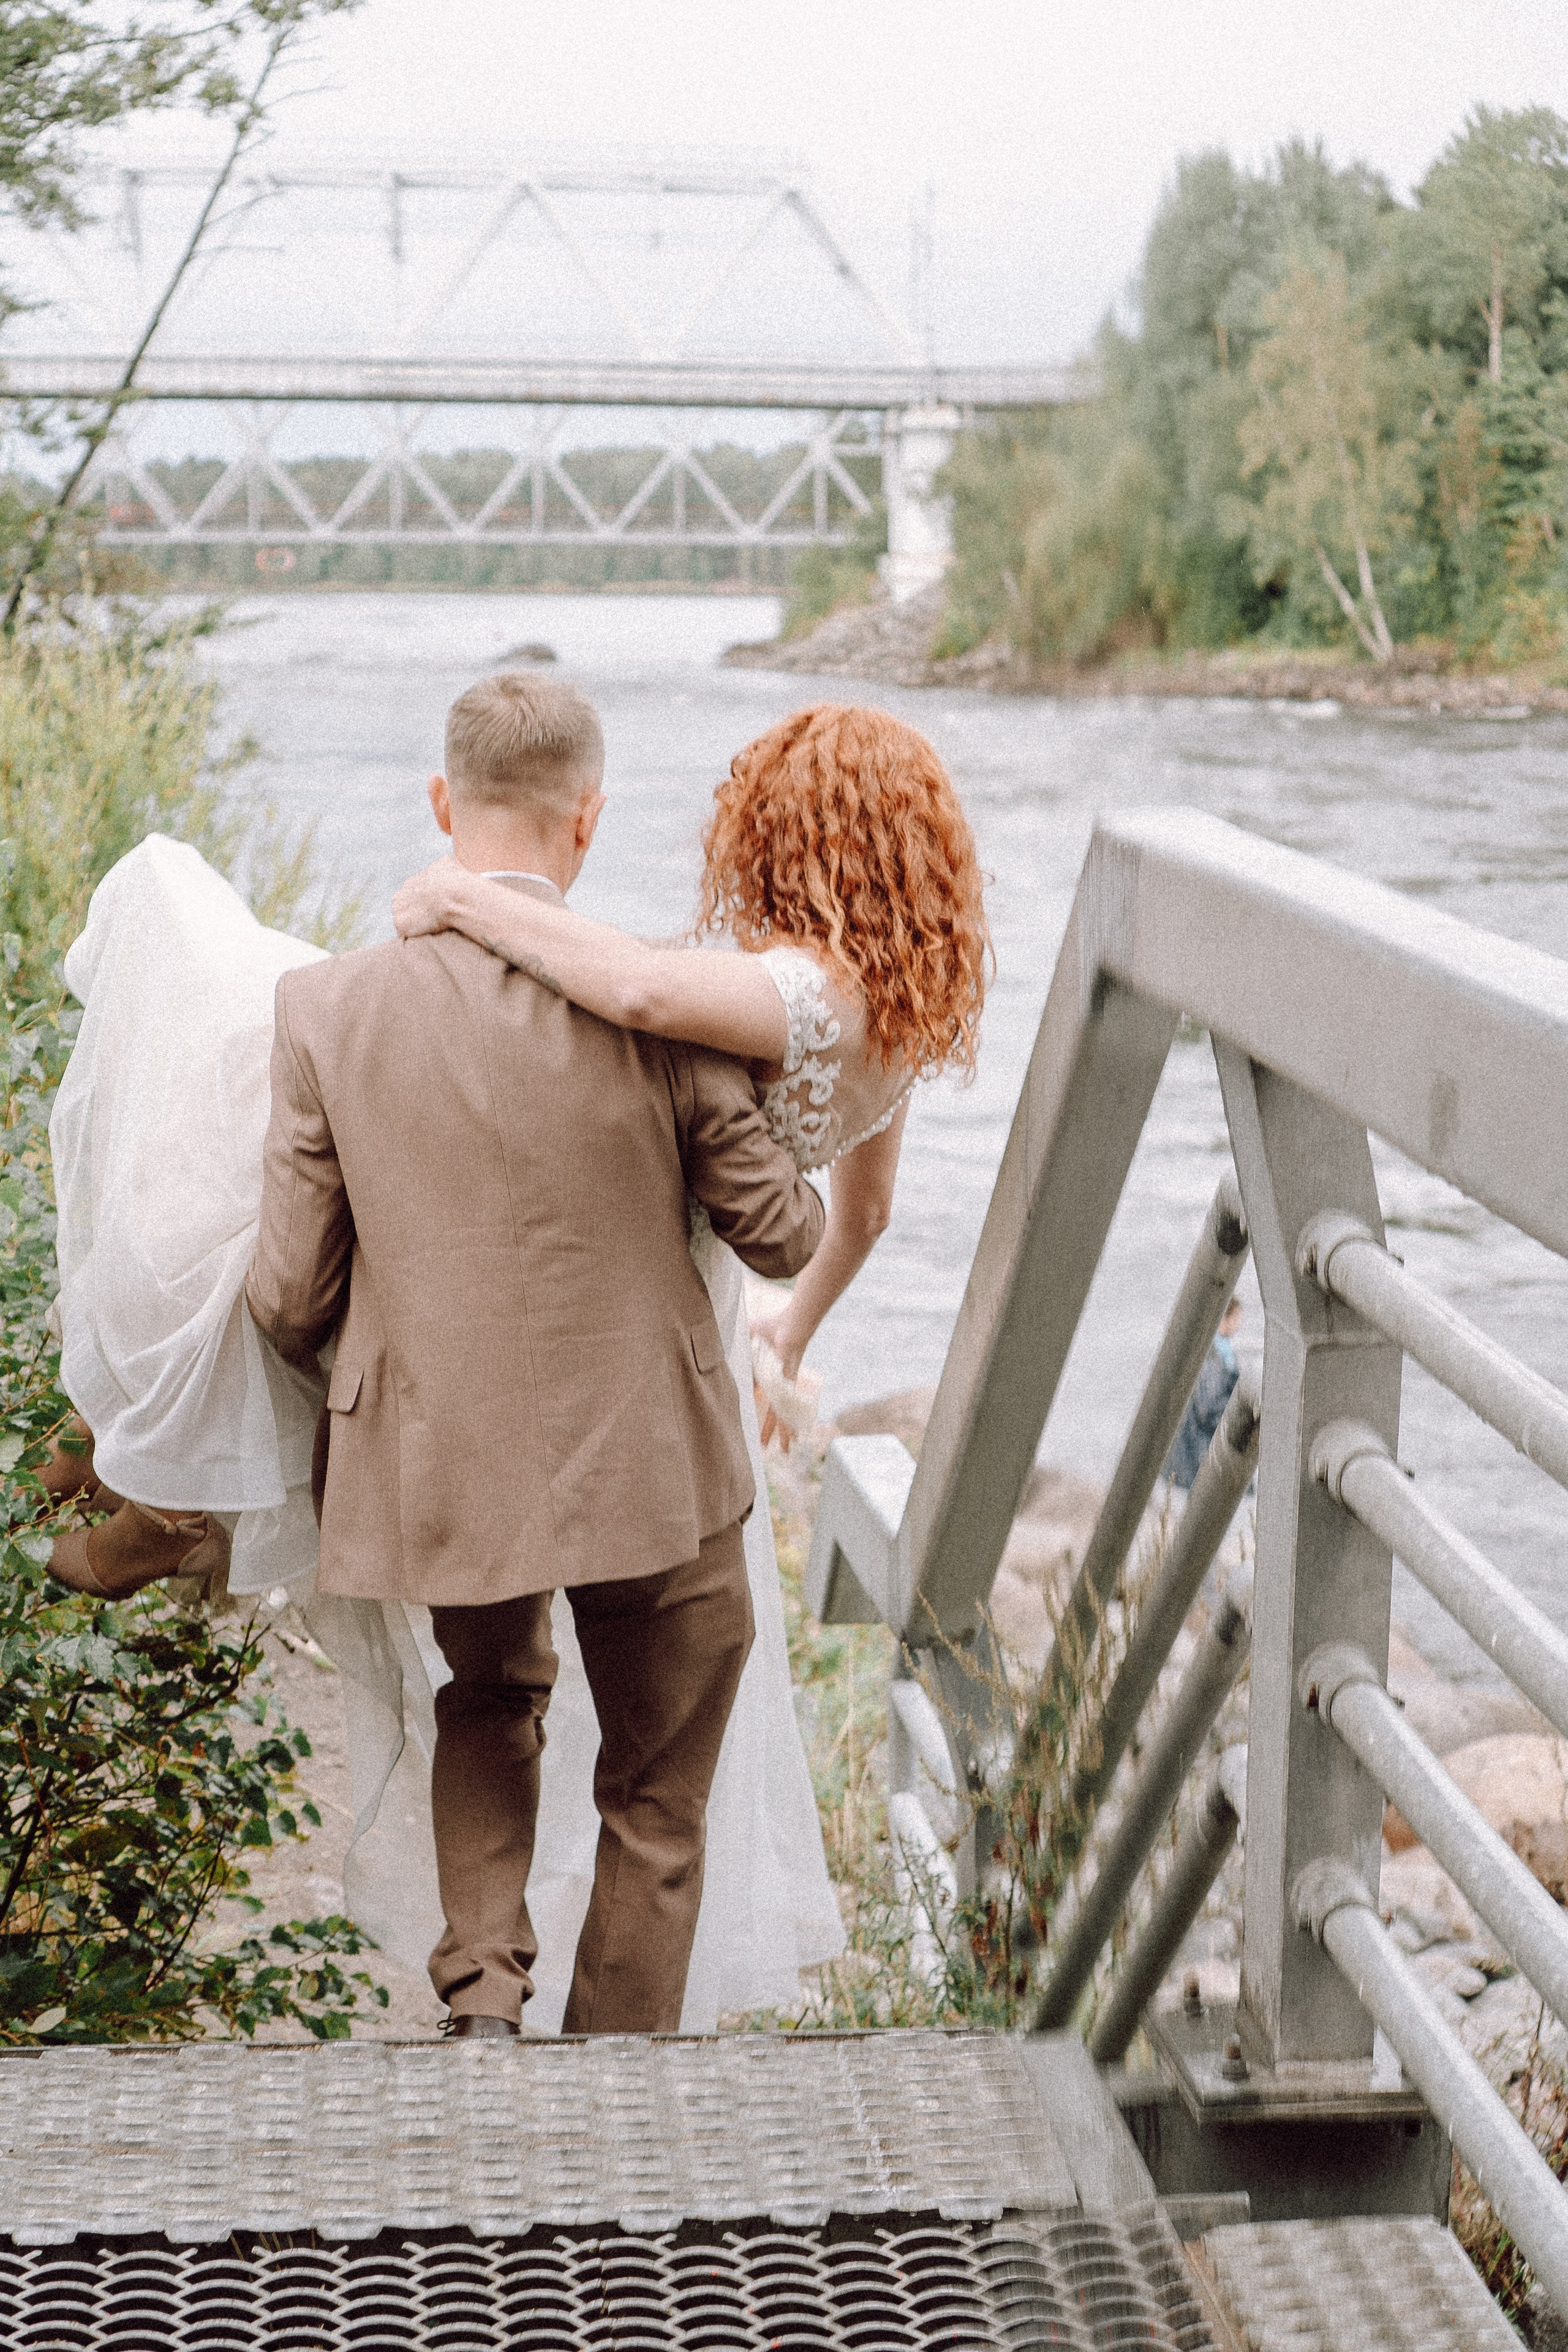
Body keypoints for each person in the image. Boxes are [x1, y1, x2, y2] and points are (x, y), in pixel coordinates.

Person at [45, 672, 826, 2037]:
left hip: (439, 1454)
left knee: (488, 1695)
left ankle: (480, 2007)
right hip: (653, 1458)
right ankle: (609, 2073)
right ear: (588, 818)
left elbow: (287, 1292)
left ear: (437, 803)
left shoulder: (328, 1011)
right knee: (653, 1794)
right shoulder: (662, 1002)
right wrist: (808, 1146)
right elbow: (778, 1241)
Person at [1163, 1298, 1243, 1490]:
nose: (1239, 1324)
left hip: (1191, 1447)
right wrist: (1242, 1424)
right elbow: (1210, 1407)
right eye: (1237, 1318)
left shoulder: (1214, 1347)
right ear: (1225, 1319)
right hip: (1198, 1450)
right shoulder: (1213, 1354)